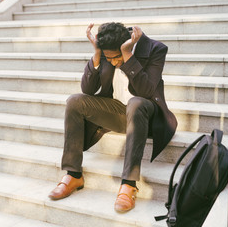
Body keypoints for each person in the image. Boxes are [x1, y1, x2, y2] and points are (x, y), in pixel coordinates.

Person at [48, 22, 178, 213]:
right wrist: (97, 54)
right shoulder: (106, 54)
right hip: (118, 112)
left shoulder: (155, 49)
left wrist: (127, 57)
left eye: (115, 57)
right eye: (110, 58)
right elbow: (88, 89)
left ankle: (129, 184)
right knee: (74, 101)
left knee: (136, 103)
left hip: (146, 116)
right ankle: (73, 174)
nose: (114, 62)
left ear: (127, 45)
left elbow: (146, 91)